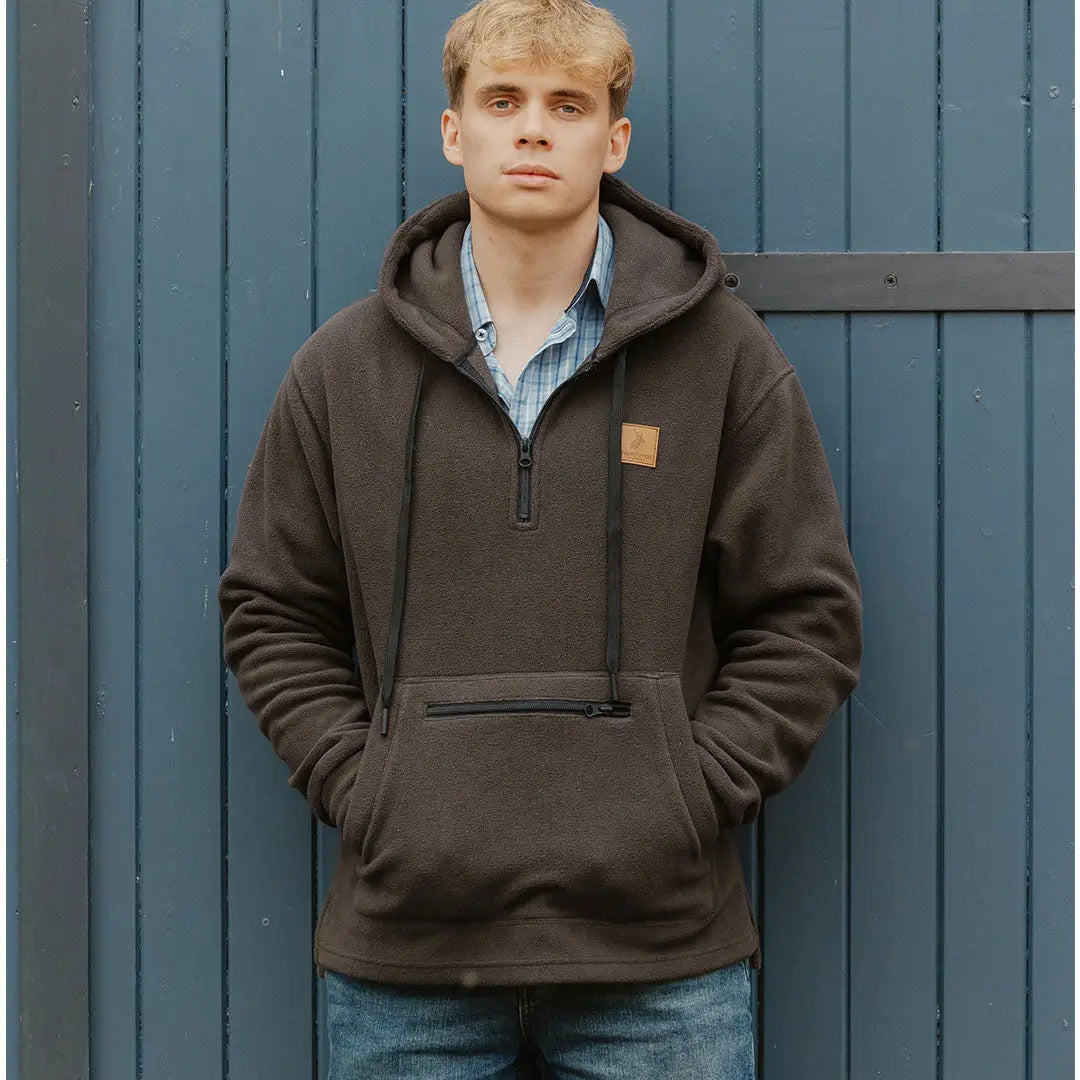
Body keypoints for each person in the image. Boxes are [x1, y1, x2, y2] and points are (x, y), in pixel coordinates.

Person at [216, 0, 863, 1075]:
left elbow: (807, 616)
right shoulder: (341, 372)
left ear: (611, 142)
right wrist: (368, 787)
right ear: (452, 130)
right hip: (405, 961)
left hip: (660, 960)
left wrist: (683, 794)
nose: (531, 130)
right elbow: (272, 609)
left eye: (567, 106)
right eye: (502, 101)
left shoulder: (726, 363)